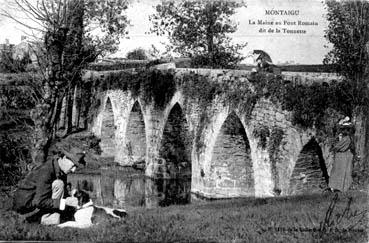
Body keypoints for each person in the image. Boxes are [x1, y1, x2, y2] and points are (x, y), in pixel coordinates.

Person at [12, 147, 86, 225]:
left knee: (59, 184)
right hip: (26, 208)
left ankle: (49, 216)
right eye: (73, 165)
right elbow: (40, 201)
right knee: (59, 184)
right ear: (64, 157)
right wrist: (65, 202)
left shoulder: (60, 170)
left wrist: (70, 199)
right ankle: (30, 219)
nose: (74, 170)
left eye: (76, 167)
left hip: (35, 203)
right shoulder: (46, 171)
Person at [329, 125, 353, 192]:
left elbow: (337, 146)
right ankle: (337, 187)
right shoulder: (345, 138)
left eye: (344, 130)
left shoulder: (346, 138)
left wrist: (333, 147)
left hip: (343, 156)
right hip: (342, 156)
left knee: (341, 171)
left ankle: (340, 187)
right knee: (339, 171)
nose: (342, 131)